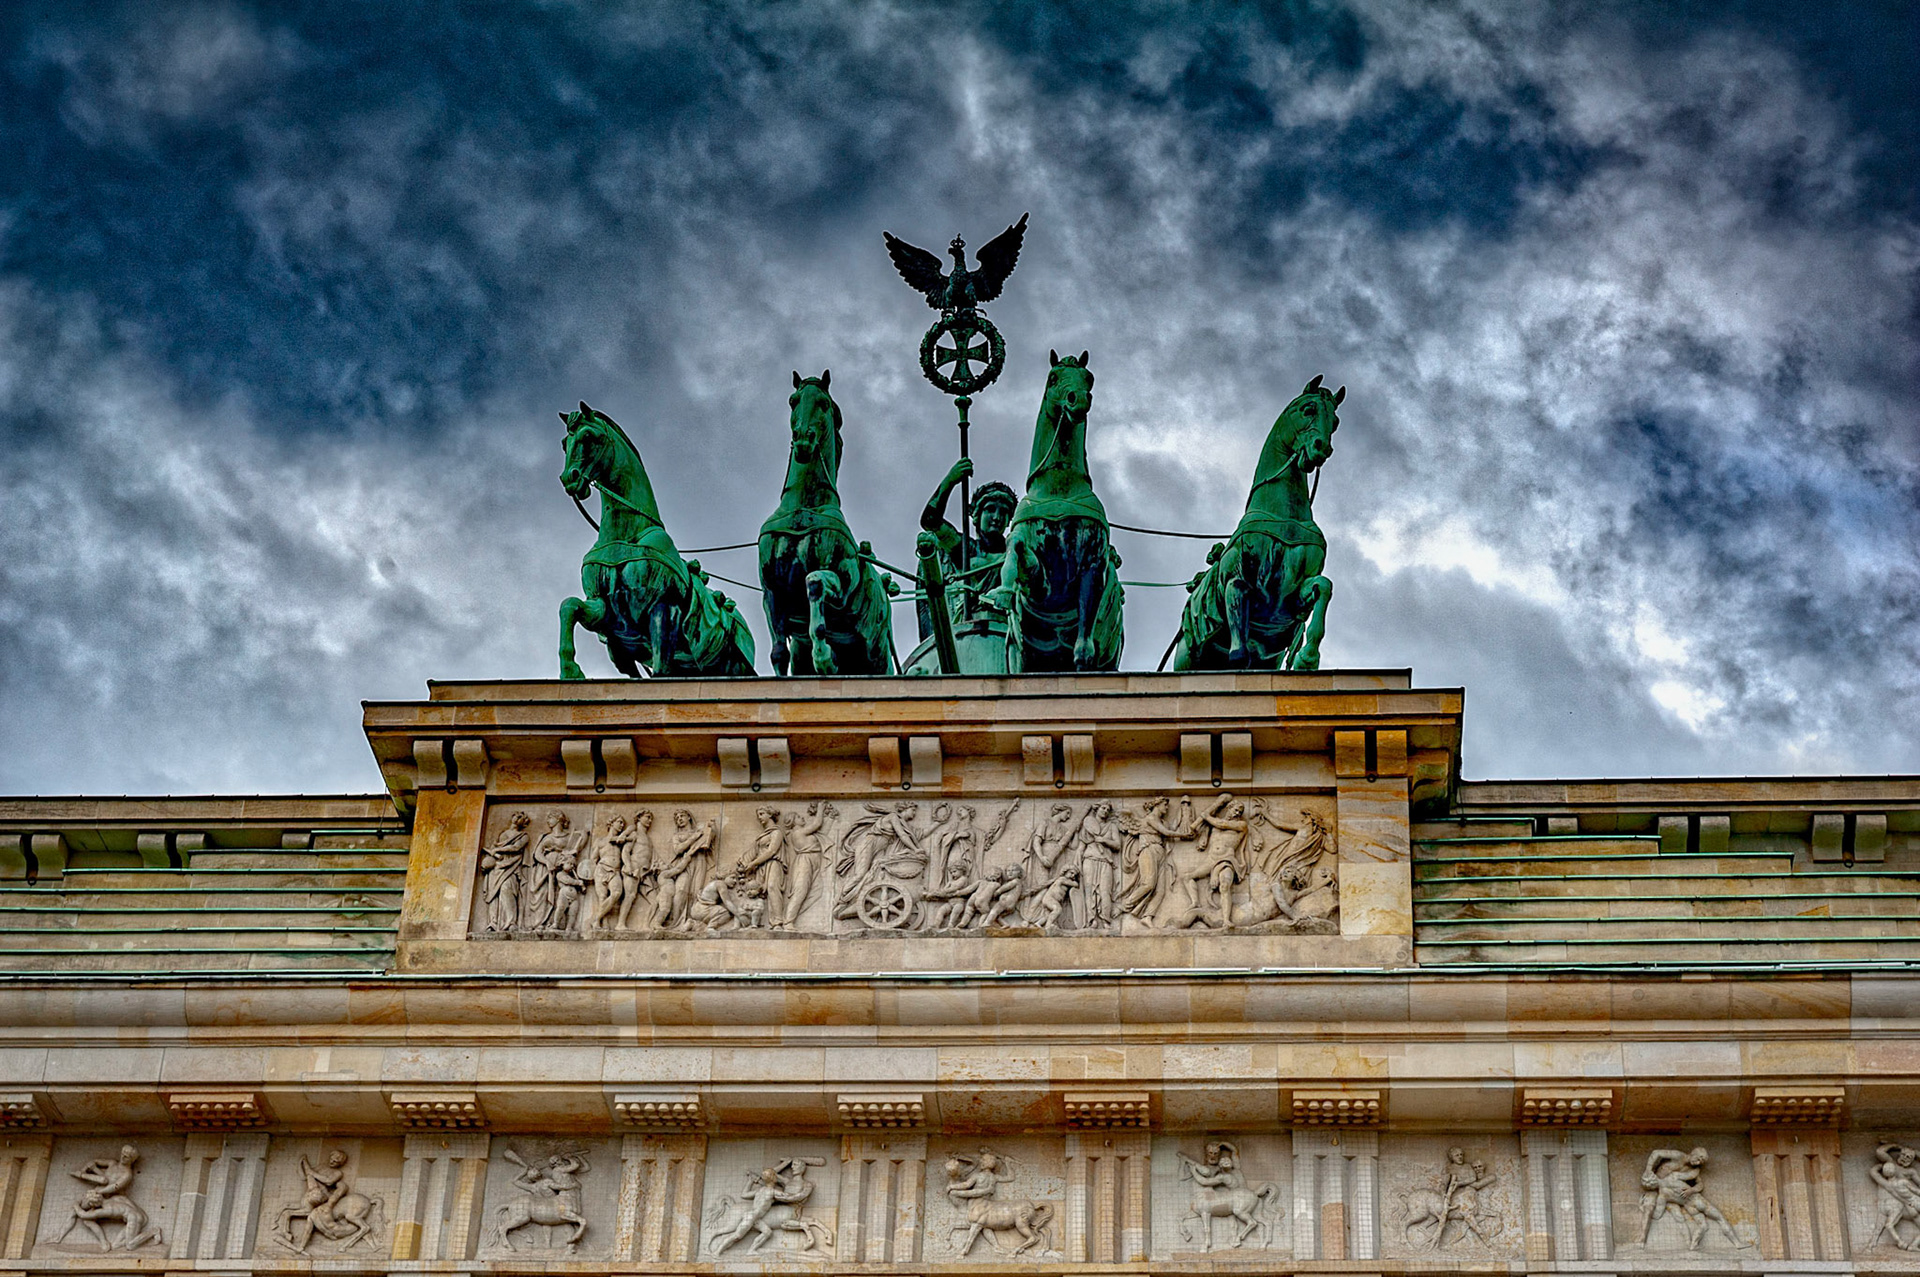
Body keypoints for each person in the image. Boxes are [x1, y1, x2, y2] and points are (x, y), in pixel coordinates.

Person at [916, 457, 1019, 637]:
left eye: (1004, 512)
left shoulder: (1014, 552)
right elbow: (930, 520)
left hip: (1007, 629)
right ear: (976, 515)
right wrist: (951, 479)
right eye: (990, 509)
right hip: (969, 630)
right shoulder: (964, 550)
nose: (997, 517)